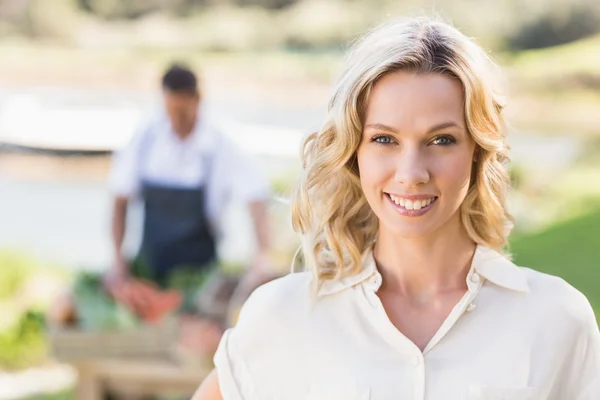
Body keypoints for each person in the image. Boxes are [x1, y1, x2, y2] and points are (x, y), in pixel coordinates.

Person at [192, 16, 600, 400]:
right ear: (353, 152)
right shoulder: (282, 316)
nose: (411, 173)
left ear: (478, 151)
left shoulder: (555, 319)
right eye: (384, 140)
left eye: (441, 140)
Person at [106, 64, 271, 310]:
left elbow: (256, 200)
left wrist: (261, 255)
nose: (177, 119)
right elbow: (120, 200)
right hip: (150, 268)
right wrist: (118, 260)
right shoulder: (146, 139)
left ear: (197, 100)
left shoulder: (220, 144)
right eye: (171, 111)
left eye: (183, 111)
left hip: (202, 273)